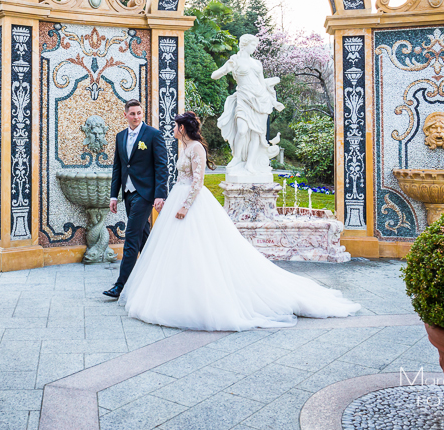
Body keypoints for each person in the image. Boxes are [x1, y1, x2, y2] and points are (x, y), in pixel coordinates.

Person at [119, 112, 360, 330]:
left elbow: (198, 182)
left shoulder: (196, 149)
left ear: (182, 128)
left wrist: (185, 206)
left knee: (198, 247)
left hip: (190, 203)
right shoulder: (185, 147)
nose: (173, 129)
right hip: (178, 197)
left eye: (175, 126)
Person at [103, 99, 168, 299]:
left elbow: (161, 166)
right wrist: (114, 195)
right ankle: (163, 273)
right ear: (125, 115)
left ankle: (119, 285)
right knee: (144, 238)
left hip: (145, 194)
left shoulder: (153, 135)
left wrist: (160, 194)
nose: (136, 117)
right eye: (132, 113)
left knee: (131, 237)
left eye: (139, 113)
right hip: (129, 194)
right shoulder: (120, 136)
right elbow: (118, 168)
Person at [211, 34, 284, 178]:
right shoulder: (235, 60)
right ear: (244, 45)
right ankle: (237, 158)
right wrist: (226, 69)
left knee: (256, 134)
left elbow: (263, 84)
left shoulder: (257, 63)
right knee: (243, 130)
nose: (255, 48)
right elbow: (214, 75)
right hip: (244, 98)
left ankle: (250, 163)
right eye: (253, 45)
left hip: (260, 100)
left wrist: (273, 101)